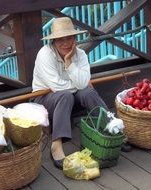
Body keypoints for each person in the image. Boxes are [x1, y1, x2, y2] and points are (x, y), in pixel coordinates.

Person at [32, 17, 130, 170]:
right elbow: (58, 86)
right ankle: (56, 145)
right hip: (44, 100)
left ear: (75, 39)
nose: (65, 43)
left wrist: (69, 62)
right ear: (53, 41)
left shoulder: (80, 55)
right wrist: (80, 84)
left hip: (70, 97)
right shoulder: (44, 54)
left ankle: (113, 130)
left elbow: (83, 85)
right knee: (67, 94)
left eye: (69, 38)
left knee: (88, 93)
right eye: (60, 40)